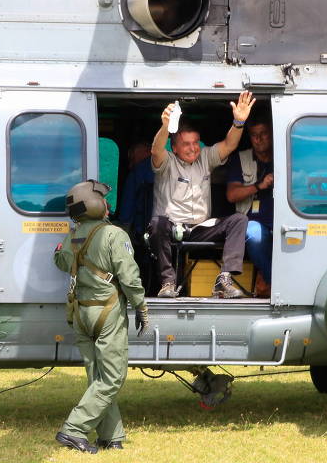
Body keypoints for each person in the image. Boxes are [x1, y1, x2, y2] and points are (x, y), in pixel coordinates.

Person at [53, 180, 149, 454]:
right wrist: (141, 307)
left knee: (98, 377)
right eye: (103, 199)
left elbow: (60, 261)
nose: (107, 203)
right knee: (112, 378)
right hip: (108, 313)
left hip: (81, 312)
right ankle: (73, 430)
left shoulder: (71, 237)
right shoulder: (114, 235)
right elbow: (129, 278)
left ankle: (110, 436)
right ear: (96, 205)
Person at [149, 91, 256, 299]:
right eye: (186, 144)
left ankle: (224, 279)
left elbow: (229, 145)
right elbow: (155, 150)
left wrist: (239, 122)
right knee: (157, 223)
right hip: (171, 226)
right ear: (175, 147)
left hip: (200, 227)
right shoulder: (167, 161)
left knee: (239, 220)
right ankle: (167, 283)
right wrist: (165, 126)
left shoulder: (205, 158)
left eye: (195, 142)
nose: (193, 148)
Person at [225, 120, 274, 298]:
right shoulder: (242, 158)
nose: (259, 139)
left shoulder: (285, 153)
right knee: (254, 234)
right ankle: (275, 283)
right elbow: (231, 195)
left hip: (285, 220)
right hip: (253, 221)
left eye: (264, 134)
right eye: (254, 135)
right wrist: (259, 186)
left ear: (272, 133)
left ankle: (267, 283)